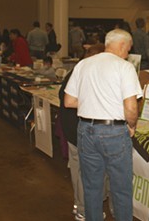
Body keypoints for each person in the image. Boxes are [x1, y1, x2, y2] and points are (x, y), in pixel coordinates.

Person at [64, 28, 142, 221]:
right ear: (122, 44)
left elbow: (69, 101)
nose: (128, 54)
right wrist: (132, 125)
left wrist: (95, 103)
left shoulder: (83, 64)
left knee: (91, 186)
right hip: (114, 132)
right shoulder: (124, 67)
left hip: (85, 131)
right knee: (121, 188)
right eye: (128, 49)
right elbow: (131, 108)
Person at [59, 44, 107, 221]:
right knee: (86, 172)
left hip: (72, 129)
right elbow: (72, 102)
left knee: (78, 169)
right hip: (81, 130)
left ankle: (79, 205)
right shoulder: (89, 74)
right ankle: (85, 210)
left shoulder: (75, 72)